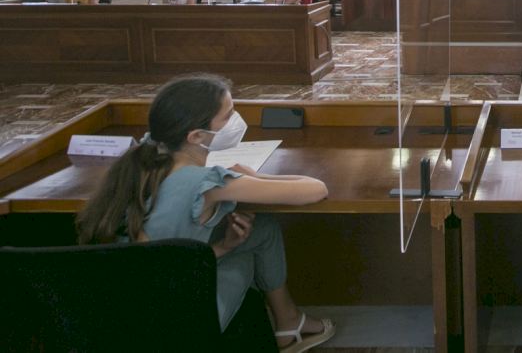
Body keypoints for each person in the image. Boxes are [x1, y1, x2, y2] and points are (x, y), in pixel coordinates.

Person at [75, 74, 336, 351]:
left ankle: (289, 322)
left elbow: (160, 259)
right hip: (175, 316)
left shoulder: (144, 165)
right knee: (247, 255)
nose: (236, 121)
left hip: (131, 304)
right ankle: (276, 325)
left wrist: (223, 246)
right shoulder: (205, 183)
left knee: (261, 229)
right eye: (229, 115)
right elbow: (315, 189)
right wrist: (255, 177)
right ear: (196, 136)